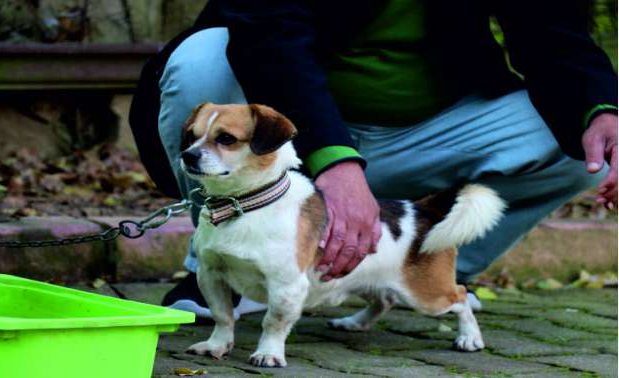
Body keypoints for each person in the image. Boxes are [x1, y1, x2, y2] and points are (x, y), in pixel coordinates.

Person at [129, 1, 617, 319]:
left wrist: (604, 111)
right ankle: (225, 273)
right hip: (293, 144)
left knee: (580, 135)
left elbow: (554, 32)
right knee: (202, 57)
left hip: (430, 132)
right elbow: (267, 31)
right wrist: (335, 158)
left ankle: (419, 271)